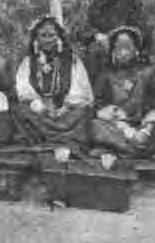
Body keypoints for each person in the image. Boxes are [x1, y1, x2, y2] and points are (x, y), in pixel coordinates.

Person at [90, 26, 155, 157]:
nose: (123, 53)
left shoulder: (150, 73)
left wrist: (146, 130)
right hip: (118, 128)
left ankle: (126, 151)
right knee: (95, 127)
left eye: (127, 48)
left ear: (136, 50)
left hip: (146, 128)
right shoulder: (106, 76)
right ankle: (136, 151)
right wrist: (119, 123)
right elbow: (98, 105)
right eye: (118, 48)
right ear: (113, 51)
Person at [12, 15, 94, 155]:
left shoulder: (71, 60)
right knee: (19, 110)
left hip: (66, 114)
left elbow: (80, 90)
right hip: (40, 114)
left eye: (51, 35)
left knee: (84, 111)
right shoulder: (29, 61)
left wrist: (65, 108)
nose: (47, 39)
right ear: (36, 38)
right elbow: (23, 89)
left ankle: (49, 139)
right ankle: (59, 139)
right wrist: (39, 106)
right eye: (43, 35)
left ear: (59, 37)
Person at [80, 0, 149, 78]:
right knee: (94, 54)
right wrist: (96, 35)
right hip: (104, 41)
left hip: (127, 38)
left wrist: (123, 34)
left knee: (123, 43)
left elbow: (140, 22)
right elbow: (87, 23)